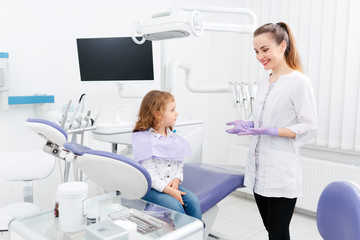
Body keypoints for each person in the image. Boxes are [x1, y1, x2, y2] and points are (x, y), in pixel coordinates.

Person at [226, 22, 317, 240]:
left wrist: (274, 131)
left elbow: (309, 126)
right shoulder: (263, 82)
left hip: (280, 172)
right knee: (270, 230)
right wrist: (250, 123)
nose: (259, 56)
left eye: (264, 50)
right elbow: (262, 119)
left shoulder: (299, 82)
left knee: (278, 233)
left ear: (282, 45)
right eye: (256, 51)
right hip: (259, 171)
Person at [131, 90, 202, 220]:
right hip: (151, 188)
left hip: (171, 185)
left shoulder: (173, 138)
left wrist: (176, 181)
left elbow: (179, 164)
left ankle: (196, 235)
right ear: (157, 114)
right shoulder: (144, 139)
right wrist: (169, 191)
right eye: (172, 110)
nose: (177, 113)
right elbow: (149, 174)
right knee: (175, 206)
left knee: (194, 202)